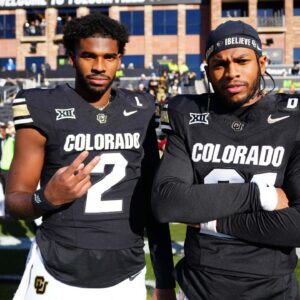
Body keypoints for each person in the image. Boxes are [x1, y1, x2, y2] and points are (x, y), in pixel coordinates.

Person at [6, 13, 176, 300]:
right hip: (56, 265)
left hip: (125, 270)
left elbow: (152, 202)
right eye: (88, 56)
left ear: (120, 59)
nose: (99, 66)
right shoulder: (42, 105)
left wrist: (165, 278)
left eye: (109, 57)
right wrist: (45, 199)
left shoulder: (143, 108)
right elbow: (14, 201)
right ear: (71, 57)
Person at [152, 20, 300, 300]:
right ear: (207, 72)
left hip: (271, 290)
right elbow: (167, 202)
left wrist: (214, 223)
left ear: (262, 62)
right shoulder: (188, 114)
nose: (231, 73)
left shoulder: (292, 118)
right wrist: (260, 196)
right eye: (219, 64)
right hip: (198, 287)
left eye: (242, 61)